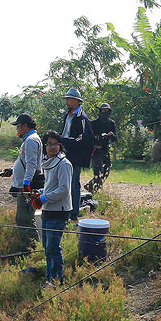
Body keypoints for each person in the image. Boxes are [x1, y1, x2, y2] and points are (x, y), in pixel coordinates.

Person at [32, 131, 73, 288]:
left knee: (53, 247)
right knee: (46, 246)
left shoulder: (64, 164)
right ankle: (50, 278)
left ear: (60, 146)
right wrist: (40, 193)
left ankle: (56, 280)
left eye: (55, 144)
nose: (52, 147)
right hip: (48, 210)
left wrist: (44, 198)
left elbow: (63, 189)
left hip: (59, 211)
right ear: (45, 146)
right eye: (49, 144)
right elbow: (50, 187)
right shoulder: (48, 163)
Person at [10, 113, 43, 253]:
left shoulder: (30, 140)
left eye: (18, 126)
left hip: (28, 186)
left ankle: (30, 250)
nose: (17, 129)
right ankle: (31, 248)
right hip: (25, 184)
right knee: (25, 219)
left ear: (25, 125)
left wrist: (26, 186)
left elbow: (31, 164)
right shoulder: (29, 139)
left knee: (24, 219)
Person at [60, 88, 94, 222]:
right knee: (65, 183)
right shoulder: (68, 115)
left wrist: (67, 142)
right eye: (67, 99)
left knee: (74, 183)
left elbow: (85, 138)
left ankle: (73, 213)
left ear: (76, 101)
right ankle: (66, 209)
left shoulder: (82, 118)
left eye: (69, 99)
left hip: (76, 155)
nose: (67, 102)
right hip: (66, 153)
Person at [87, 103, 116, 192]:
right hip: (96, 151)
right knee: (98, 171)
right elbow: (89, 137)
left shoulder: (111, 123)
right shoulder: (93, 123)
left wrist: (111, 135)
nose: (105, 112)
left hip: (105, 150)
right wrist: (98, 137)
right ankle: (96, 191)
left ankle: (90, 185)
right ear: (100, 111)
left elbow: (115, 138)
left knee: (106, 172)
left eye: (107, 111)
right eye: (103, 110)